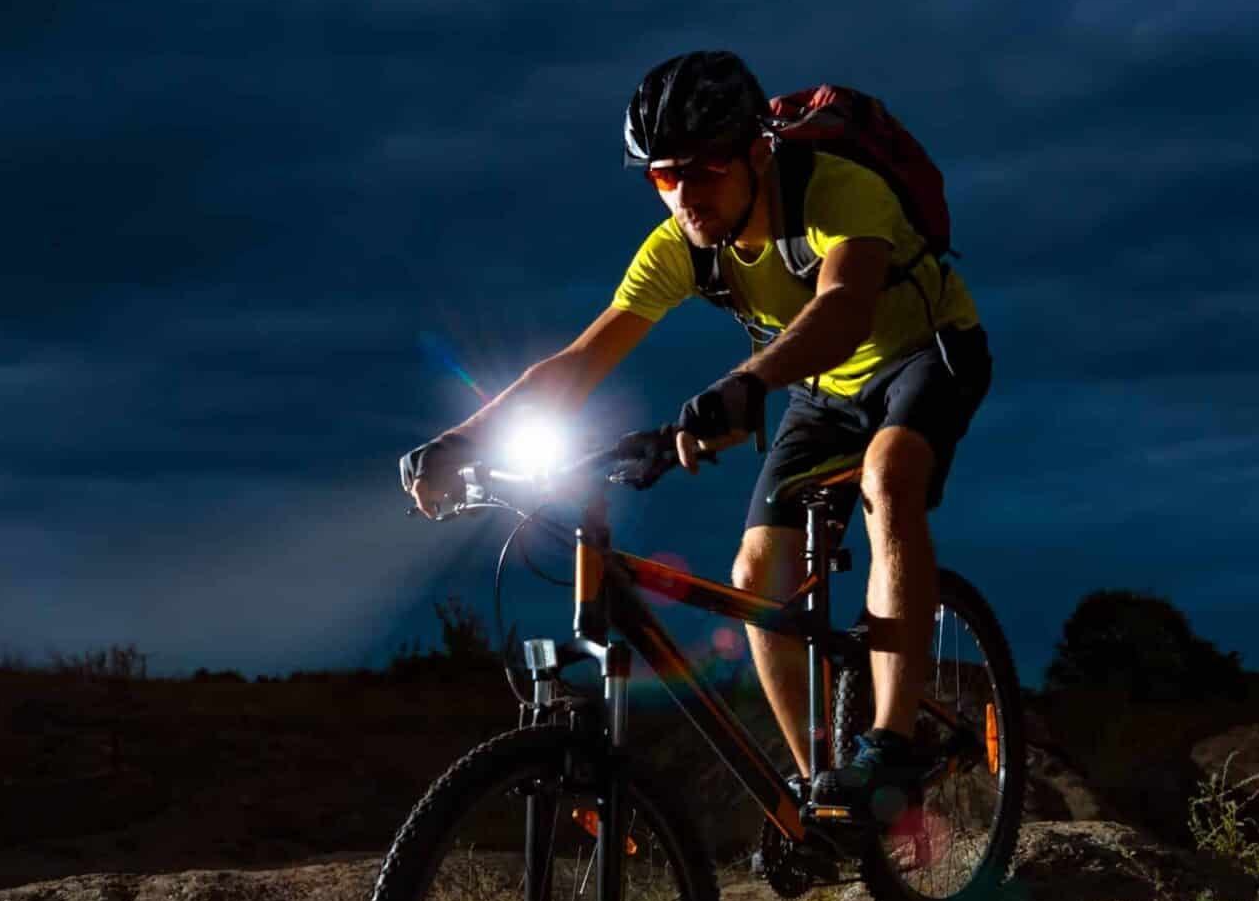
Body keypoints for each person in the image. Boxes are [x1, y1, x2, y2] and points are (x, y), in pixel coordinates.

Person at [401, 50, 991, 825]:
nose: (684, 194)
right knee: (754, 573)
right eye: (661, 176)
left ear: (757, 151)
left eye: (704, 168)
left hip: (925, 355)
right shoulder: (681, 246)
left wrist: (744, 386)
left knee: (888, 477)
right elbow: (584, 358)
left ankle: (890, 742)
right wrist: (462, 440)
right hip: (816, 388)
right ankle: (823, 795)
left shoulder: (839, 192)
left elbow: (844, 307)